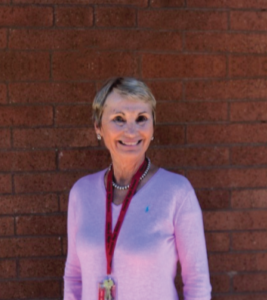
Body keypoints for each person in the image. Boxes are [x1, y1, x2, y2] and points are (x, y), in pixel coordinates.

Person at [63, 77, 212, 300]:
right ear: (98, 126)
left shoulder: (177, 193)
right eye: (119, 119)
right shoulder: (81, 194)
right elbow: (74, 277)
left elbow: (197, 282)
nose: (131, 131)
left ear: (152, 127)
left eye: (141, 118)